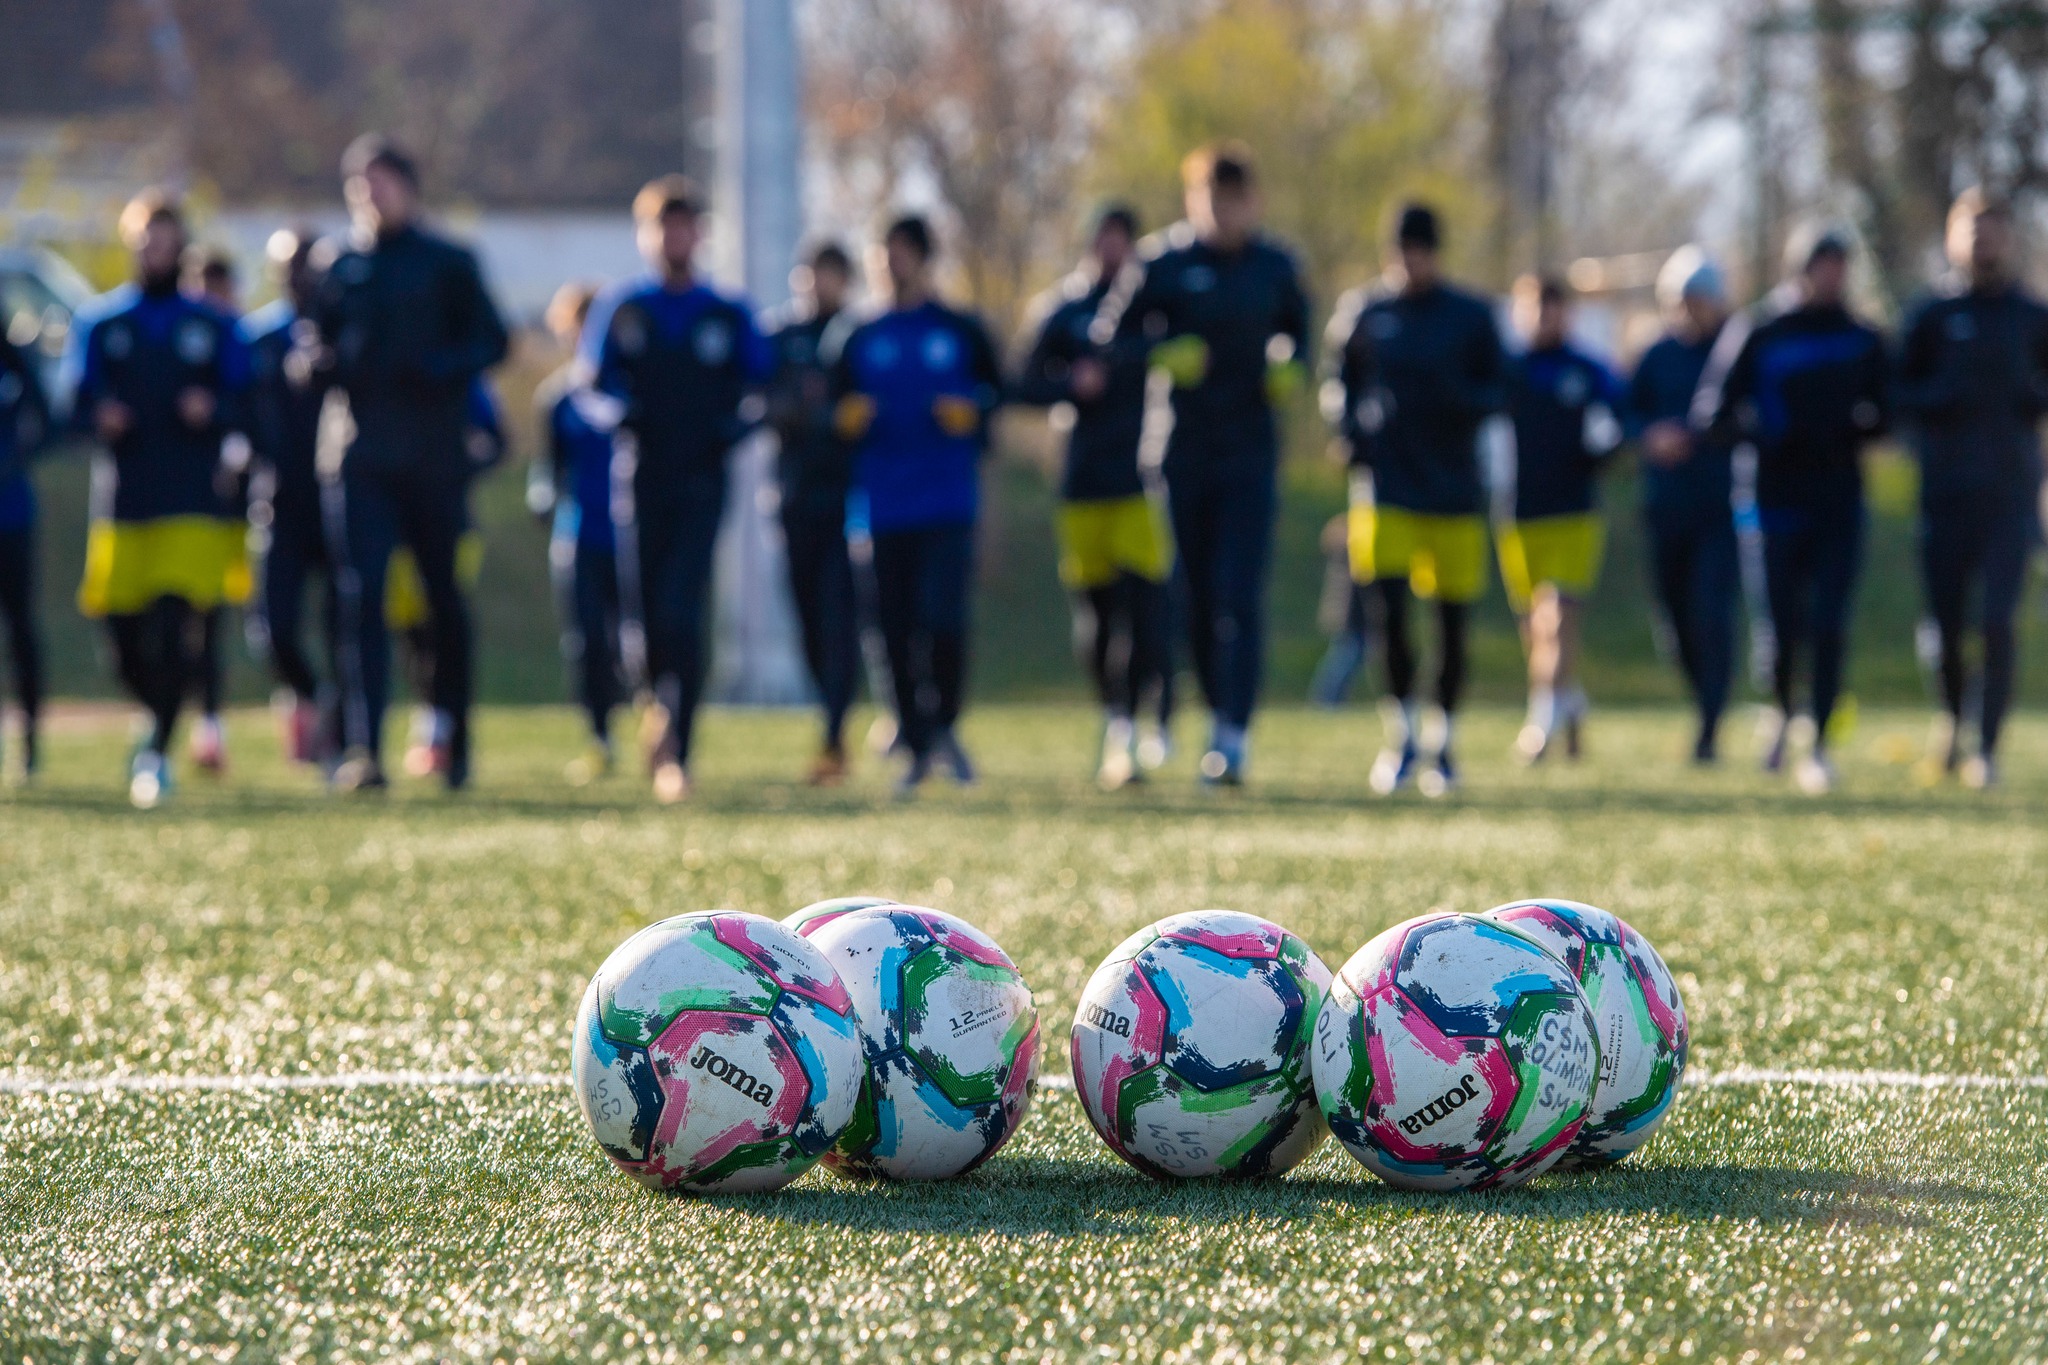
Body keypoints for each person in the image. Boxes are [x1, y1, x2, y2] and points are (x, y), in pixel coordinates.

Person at [1101, 143, 1310, 786]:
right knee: (1189, 600)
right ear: (1193, 201)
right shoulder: (1161, 264)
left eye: (1232, 198)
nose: (1222, 211)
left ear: (1252, 201)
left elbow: (1302, 334)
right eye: (1209, 198)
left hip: (1250, 453)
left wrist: (1289, 365)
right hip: (1181, 454)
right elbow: (1112, 343)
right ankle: (1202, 710)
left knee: (1238, 596)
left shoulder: (1275, 267)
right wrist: (1163, 354)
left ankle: (1232, 735)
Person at [307, 134, 509, 793]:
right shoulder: (336, 263)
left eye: (383, 181)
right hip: (358, 456)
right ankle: (364, 747)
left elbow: (493, 338)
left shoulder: (447, 261)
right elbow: (313, 341)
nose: (372, 194)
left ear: (408, 186)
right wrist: (315, 364)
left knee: (442, 603)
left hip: (432, 458)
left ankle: (457, 740)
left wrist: (441, 369)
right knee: (359, 600)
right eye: (360, 184)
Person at [585, 175, 771, 805]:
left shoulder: (727, 311)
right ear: (646, 234)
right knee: (639, 622)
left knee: (682, 610)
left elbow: (764, 386)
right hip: (638, 478)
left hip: (700, 479)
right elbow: (590, 386)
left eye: (686, 224)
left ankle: (678, 750)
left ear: (701, 234)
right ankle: (651, 701)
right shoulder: (624, 307)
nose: (675, 236)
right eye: (663, 225)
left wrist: (736, 425)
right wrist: (619, 415)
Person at [63, 190, 252, 808]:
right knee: (120, 641)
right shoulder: (102, 323)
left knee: (175, 628)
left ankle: (156, 754)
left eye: (167, 240)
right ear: (132, 243)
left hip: (193, 502)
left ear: (181, 245)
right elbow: (73, 404)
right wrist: (102, 416)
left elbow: (246, 401)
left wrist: (212, 410)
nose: (156, 250)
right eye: (146, 239)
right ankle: (157, 716)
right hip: (124, 501)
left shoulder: (214, 325)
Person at [1325, 203, 1506, 797]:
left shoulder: (1471, 316)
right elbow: (1338, 380)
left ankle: (1443, 740)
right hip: (1385, 492)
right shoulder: (1366, 311)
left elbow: (1503, 388)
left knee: (1451, 625)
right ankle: (1400, 735)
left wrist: (1460, 399)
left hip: (1454, 490)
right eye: (1402, 250)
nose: (1411, 261)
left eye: (1420, 249)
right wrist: (1350, 431)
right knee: (1388, 619)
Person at [827, 215, 1004, 797]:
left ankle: (945, 725)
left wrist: (972, 410)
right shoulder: (854, 335)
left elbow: (1000, 392)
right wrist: (842, 421)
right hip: (878, 508)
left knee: (945, 623)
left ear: (924, 260)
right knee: (892, 631)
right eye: (882, 253)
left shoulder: (959, 329)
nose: (890, 264)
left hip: (947, 503)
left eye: (901, 253)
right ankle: (914, 738)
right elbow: (822, 412)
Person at [1710, 227, 1889, 795]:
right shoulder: (1761, 331)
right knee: (1782, 627)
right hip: (1771, 503)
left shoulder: (1863, 337)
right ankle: (1785, 716)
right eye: (1823, 265)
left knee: (1830, 624)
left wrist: (1860, 425)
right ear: (1800, 269)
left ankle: (1820, 744)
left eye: (1841, 266)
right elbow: (1713, 413)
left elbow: (1891, 409)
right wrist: (1767, 432)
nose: (1833, 276)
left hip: (1839, 500)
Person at [1015, 205, 1173, 790]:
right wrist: (1069, 385)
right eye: (1103, 238)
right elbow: (1022, 383)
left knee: (1151, 614)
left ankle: (1151, 712)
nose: (1111, 250)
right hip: (1082, 483)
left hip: (1142, 482)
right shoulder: (1064, 311)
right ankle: (1116, 725)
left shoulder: (1150, 311)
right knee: (1099, 615)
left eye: (1122, 241)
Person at [1895, 190, 2048, 790]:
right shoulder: (1929, 315)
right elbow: (1895, 398)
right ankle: (1952, 719)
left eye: (1994, 230)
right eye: (1973, 230)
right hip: (1944, 495)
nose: (1984, 241)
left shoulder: (2031, 316)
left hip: (2009, 495)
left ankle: (1987, 746)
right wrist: (1945, 397)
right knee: (1945, 624)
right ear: (1953, 238)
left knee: (1998, 620)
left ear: (2009, 239)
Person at [1499, 275, 1623, 763]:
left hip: (1575, 512)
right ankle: (1569, 706)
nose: (1542, 318)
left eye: (1551, 308)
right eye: (1532, 308)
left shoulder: (1588, 369)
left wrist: (1606, 449)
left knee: (1559, 622)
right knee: (1535, 631)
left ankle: (1539, 726)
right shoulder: (1509, 370)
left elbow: (1622, 418)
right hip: (1520, 511)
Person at [1627, 247, 1740, 764]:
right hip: (1666, 508)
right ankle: (1703, 703)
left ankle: (1711, 723)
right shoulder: (1656, 355)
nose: (1689, 309)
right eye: (1681, 300)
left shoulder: (1734, 349)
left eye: (1698, 299)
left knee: (1710, 614)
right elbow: (1626, 415)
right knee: (1674, 625)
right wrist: (1652, 437)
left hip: (1720, 509)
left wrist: (1703, 436)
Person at [765, 242, 861, 785]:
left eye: (827, 274)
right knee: (806, 621)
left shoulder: (857, 336)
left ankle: (834, 732)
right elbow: (761, 402)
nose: (815, 284)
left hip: (848, 500)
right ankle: (830, 720)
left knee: (839, 617)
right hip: (793, 498)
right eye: (808, 274)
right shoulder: (779, 337)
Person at [241, 226, 332, 765]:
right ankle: (309, 696)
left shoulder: (341, 333)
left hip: (342, 497)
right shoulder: (258, 338)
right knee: (271, 626)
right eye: (288, 266)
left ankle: (345, 734)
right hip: (278, 500)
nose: (297, 276)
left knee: (347, 622)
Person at [529, 282, 622, 784]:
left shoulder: (627, 394)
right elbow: (547, 470)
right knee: (586, 643)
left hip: (630, 535)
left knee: (637, 641)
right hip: (579, 536)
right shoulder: (557, 398)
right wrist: (541, 497)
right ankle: (600, 735)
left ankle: (658, 723)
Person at [182, 245, 253, 775]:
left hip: (229, 511)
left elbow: (251, 414)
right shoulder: (172, 339)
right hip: (172, 503)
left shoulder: (241, 344)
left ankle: (210, 726)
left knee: (210, 620)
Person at [0, 328, 50, 782]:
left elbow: (47, 421)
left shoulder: (13, 358)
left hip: (11, 515)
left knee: (20, 630)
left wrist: (14, 457)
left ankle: (31, 741)